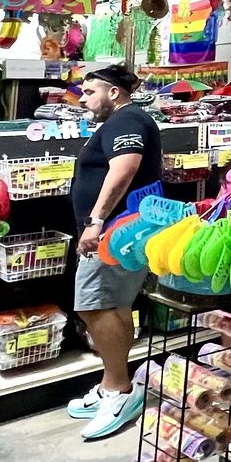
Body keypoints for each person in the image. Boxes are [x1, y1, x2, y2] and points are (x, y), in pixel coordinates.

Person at [65, 64, 163, 440]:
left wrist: (95, 220)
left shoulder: (127, 120)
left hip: (115, 231)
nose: (84, 99)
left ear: (114, 93)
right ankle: (113, 384)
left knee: (93, 305)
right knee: (114, 306)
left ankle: (120, 391)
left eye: (90, 92)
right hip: (122, 230)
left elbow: (124, 169)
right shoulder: (120, 122)